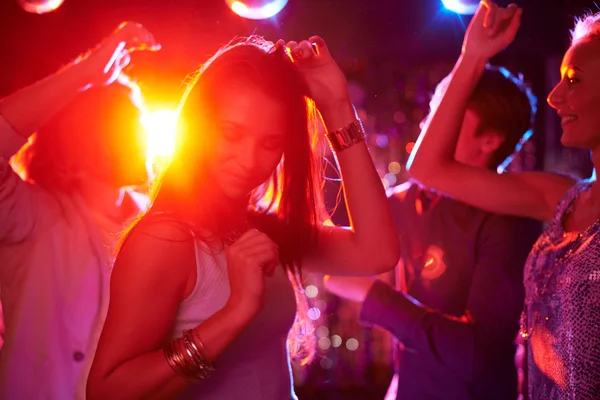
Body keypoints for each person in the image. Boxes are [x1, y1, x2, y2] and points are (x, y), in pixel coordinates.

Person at [86, 35, 401, 400]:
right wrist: (236, 312)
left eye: (270, 143)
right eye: (232, 134)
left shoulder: (261, 228)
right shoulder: (165, 240)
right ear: (199, 128)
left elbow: (377, 252)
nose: (250, 161)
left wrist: (337, 107)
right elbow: (106, 392)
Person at [408, 2, 600, 399]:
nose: (553, 96)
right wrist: (473, 55)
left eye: (574, 80)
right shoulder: (563, 198)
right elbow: (427, 168)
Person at [325, 62, 540, 399]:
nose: (429, 126)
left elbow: (475, 354)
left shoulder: (508, 220)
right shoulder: (405, 201)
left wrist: (375, 298)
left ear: (490, 140)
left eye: (448, 115)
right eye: (432, 112)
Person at [0, 22, 159, 399]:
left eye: (140, 119)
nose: (143, 134)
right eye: (125, 122)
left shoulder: (156, 228)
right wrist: (85, 74)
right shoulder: (33, 217)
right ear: (80, 140)